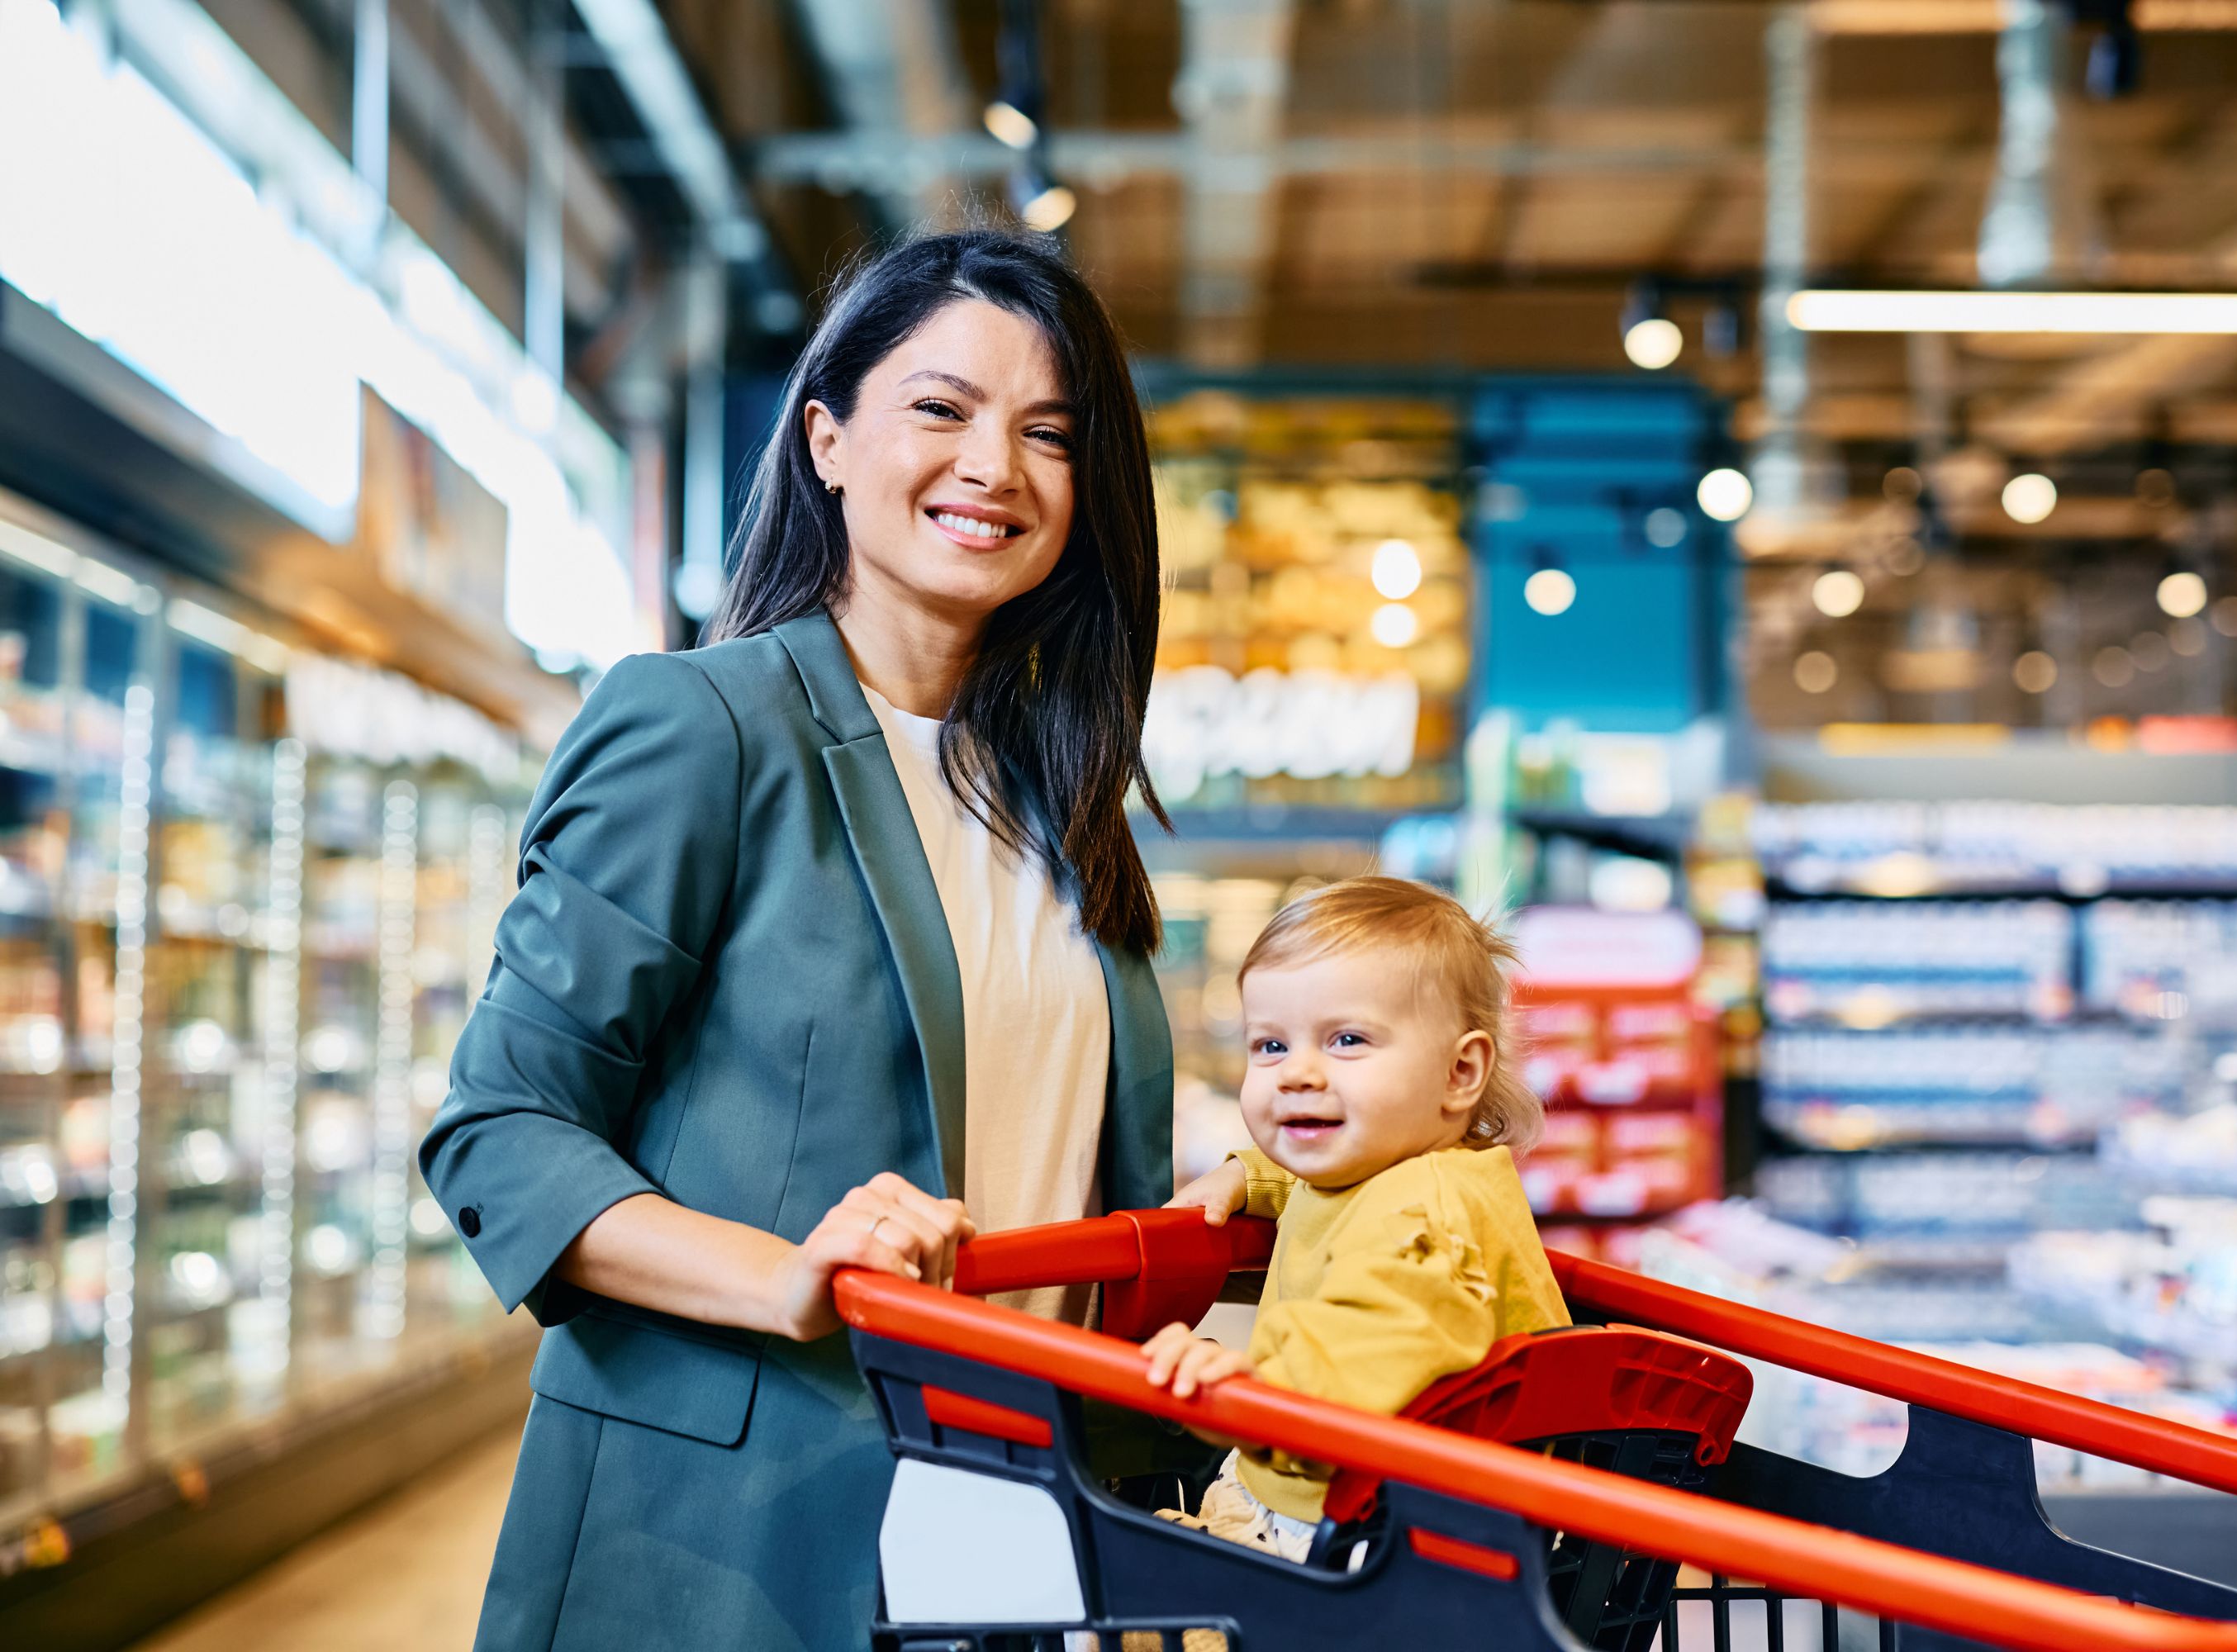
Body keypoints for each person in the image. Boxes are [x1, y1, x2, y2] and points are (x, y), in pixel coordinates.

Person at [419, 229, 1175, 1652]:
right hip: (732, 1554)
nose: (994, 468)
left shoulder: (1062, 806)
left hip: (1022, 1531)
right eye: (941, 409)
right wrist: (781, 1276)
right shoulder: (703, 727)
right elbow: (502, 1131)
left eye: (1049, 434)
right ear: (827, 435)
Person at [1142, 876, 1570, 1559]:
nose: (1297, 1075)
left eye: (1345, 1040)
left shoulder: (1421, 1216)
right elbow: (1326, 1178)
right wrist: (1247, 1173)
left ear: (1461, 1073)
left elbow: (1380, 1333)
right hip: (1355, 1506)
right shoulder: (1401, 1162)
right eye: (1271, 1046)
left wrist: (1255, 1391)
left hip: (1367, 1536)